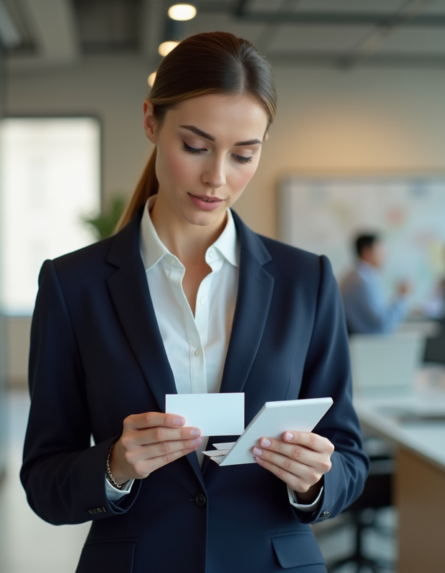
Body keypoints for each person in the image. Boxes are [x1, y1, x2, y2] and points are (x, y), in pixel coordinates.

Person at [20, 32, 368, 573]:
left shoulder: (308, 281)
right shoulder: (73, 285)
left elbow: (348, 458)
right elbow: (44, 482)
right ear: (151, 122)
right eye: (195, 146)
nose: (217, 178)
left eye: (244, 155)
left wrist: (316, 479)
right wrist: (113, 467)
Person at [340, 233, 409, 334]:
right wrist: (402, 297)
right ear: (367, 252)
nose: (384, 257)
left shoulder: (356, 276)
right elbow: (382, 322)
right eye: (381, 252)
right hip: (367, 344)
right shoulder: (362, 281)